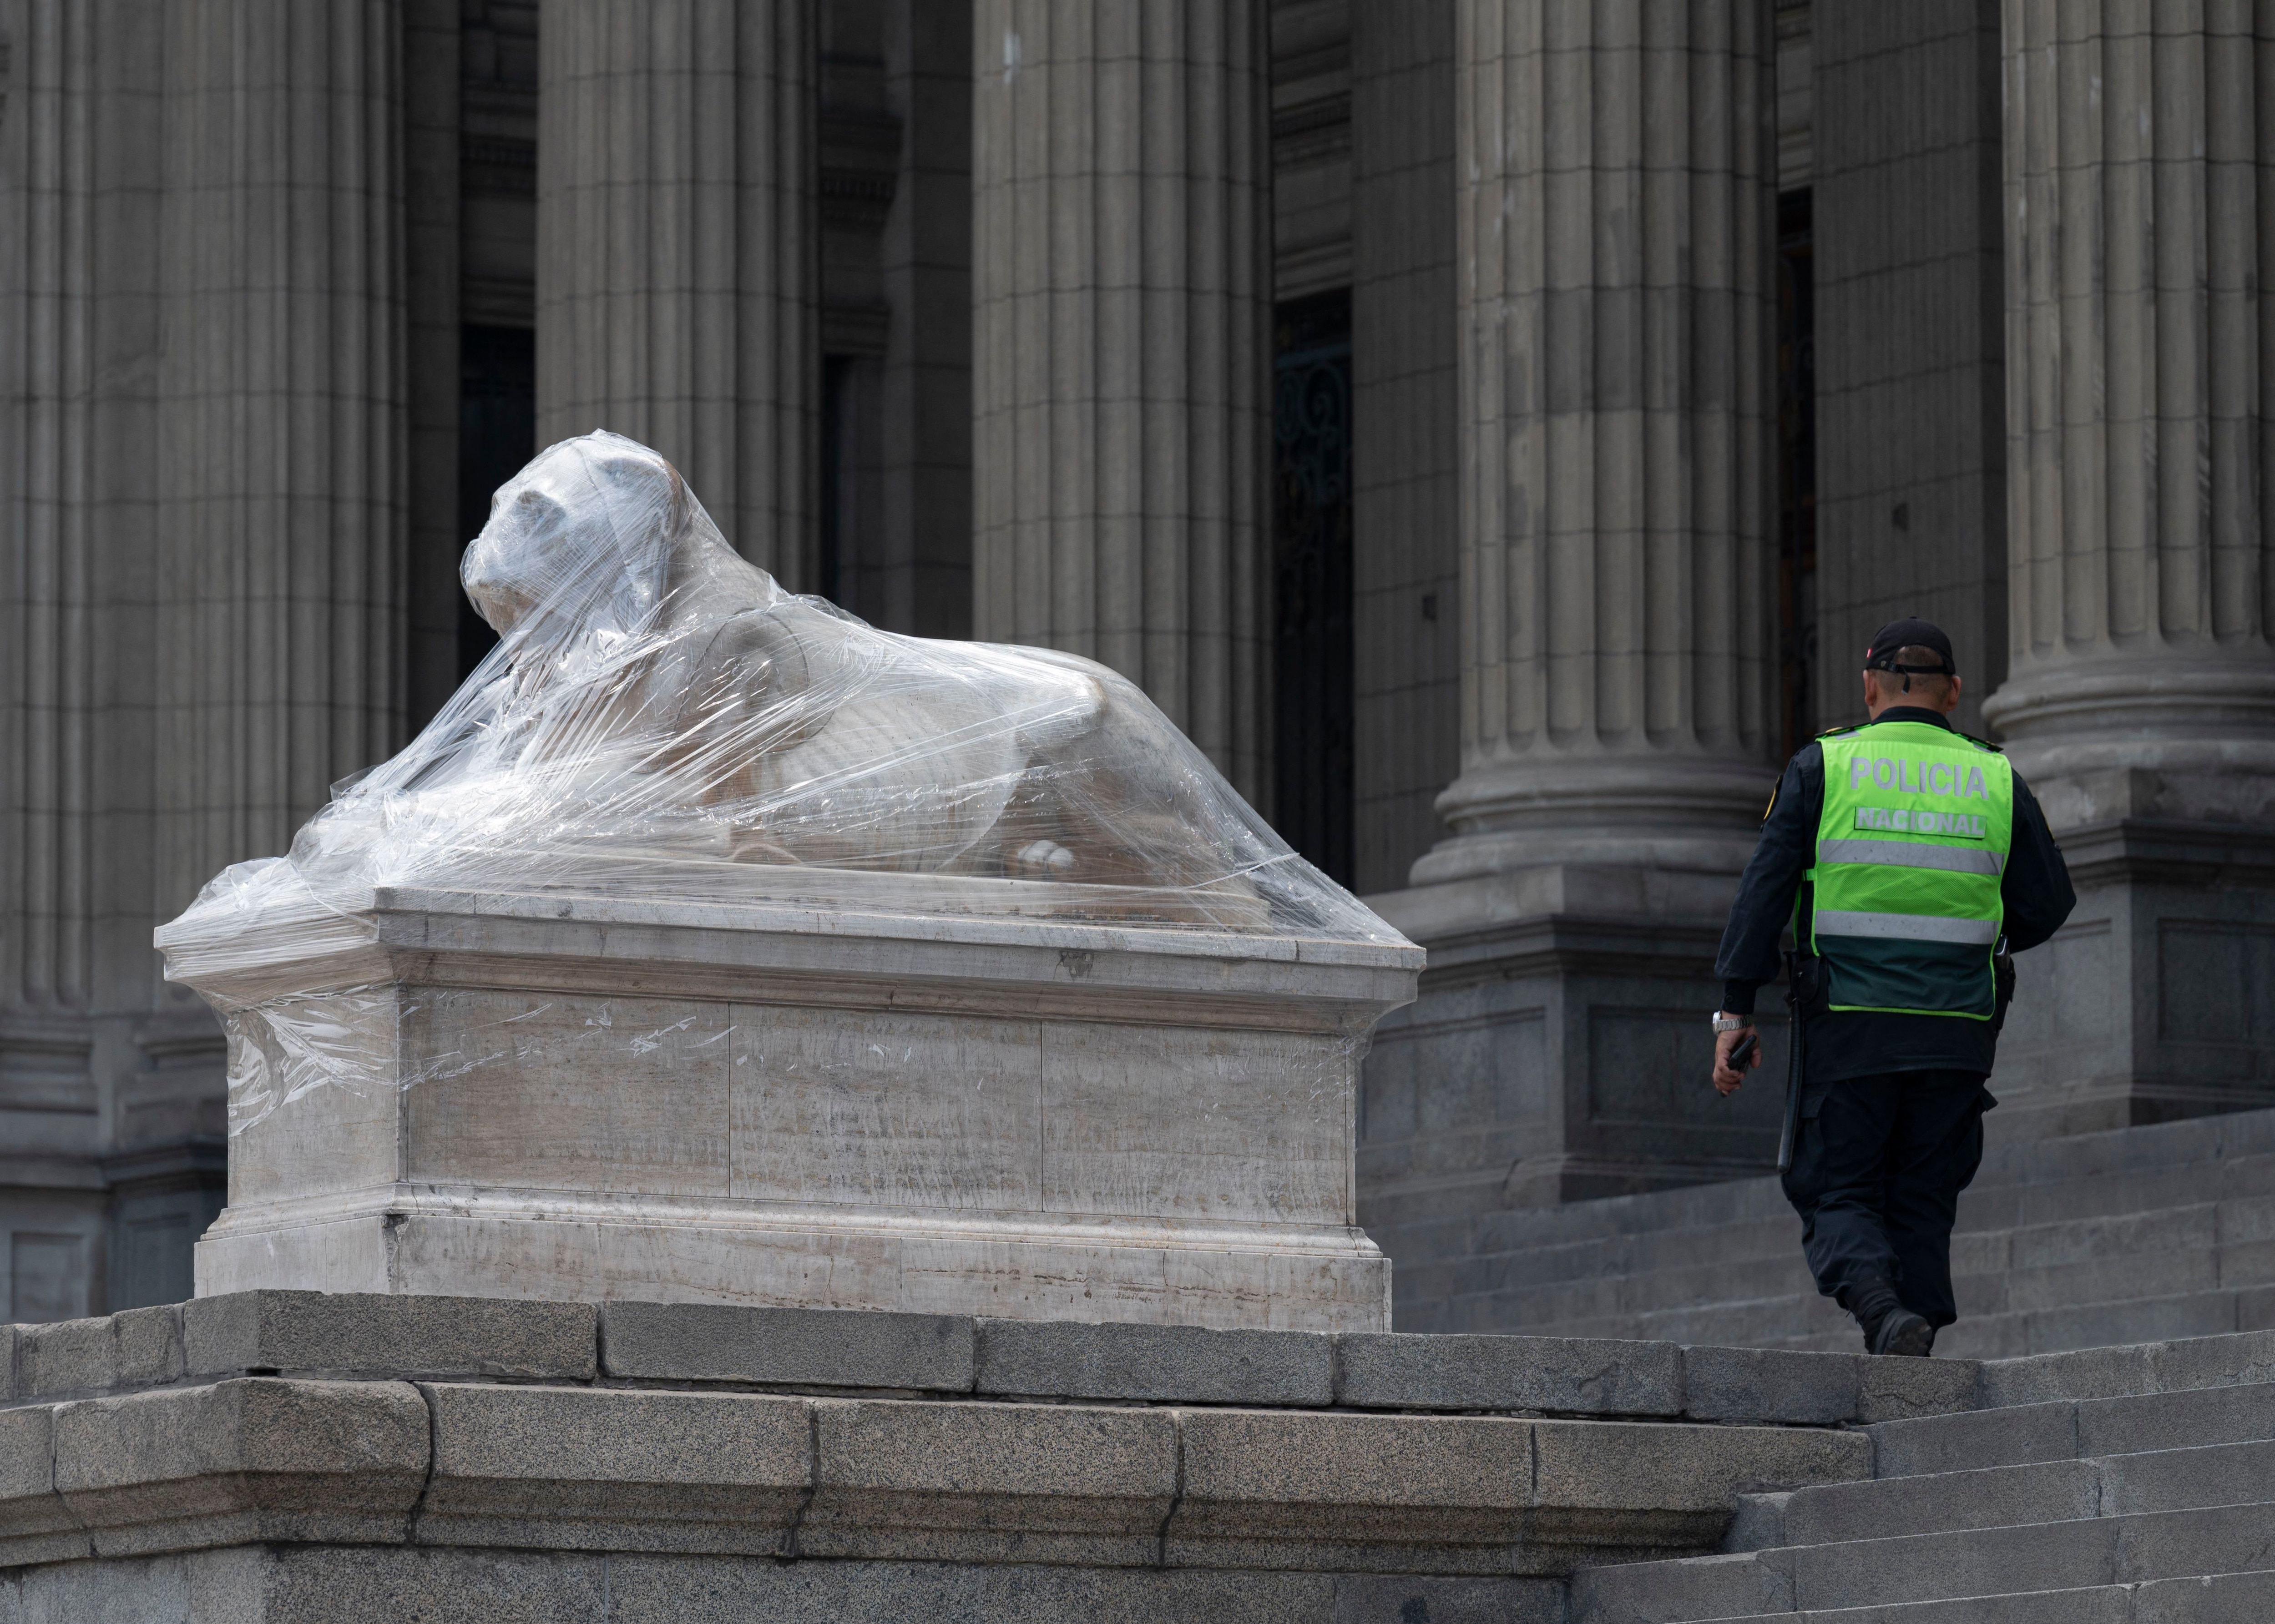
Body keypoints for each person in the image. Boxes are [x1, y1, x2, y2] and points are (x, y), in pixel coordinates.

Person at [1711, 618, 2076, 1356]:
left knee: (1837, 1186)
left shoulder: (1824, 765)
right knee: (1923, 1194)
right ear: (1955, 692)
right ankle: (1915, 1332)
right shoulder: (1995, 774)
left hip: (1850, 1025)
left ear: (1869, 686)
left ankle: (1880, 1309)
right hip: (1956, 1030)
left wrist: (1734, 1008)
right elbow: (2048, 903)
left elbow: (1764, 894)